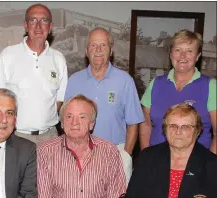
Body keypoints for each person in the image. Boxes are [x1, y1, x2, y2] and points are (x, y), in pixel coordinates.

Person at [64, 27, 144, 184]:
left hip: (116, 153)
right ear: (87, 51)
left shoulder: (125, 81)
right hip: (80, 154)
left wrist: (126, 156)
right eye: (93, 45)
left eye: (103, 45)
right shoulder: (74, 81)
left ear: (111, 51)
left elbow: (133, 123)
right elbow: (66, 121)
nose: (98, 50)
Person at [0, 4, 68, 144]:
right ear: (26, 26)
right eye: (33, 20)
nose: (38, 26)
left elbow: (59, 101)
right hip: (16, 137)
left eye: (44, 20)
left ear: (50, 27)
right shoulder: (8, 55)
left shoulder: (58, 59)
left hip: (50, 137)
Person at [140, 29, 216, 154]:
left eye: (189, 51)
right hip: (157, 162)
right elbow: (145, 125)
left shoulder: (210, 86)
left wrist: (212, 165)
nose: (182, 56)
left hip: (197, 165)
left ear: (197, 56)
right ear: (170, 54)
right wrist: (145, 157)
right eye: (178, 50)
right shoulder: (155, 84)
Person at [37, 94, 126, 198]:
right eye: (69, 116)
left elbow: (115, 194)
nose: (74, 123)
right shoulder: (45, 151)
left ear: (91, 124)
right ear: (62, 123)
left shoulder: (109, 151)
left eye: (82, 117)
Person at [125, 103, 217, 198]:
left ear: (197, 131)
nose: (178, 132)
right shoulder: (147, 157)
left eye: (185, 127)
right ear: (165, 129)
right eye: (173, 126)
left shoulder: (212, 165)